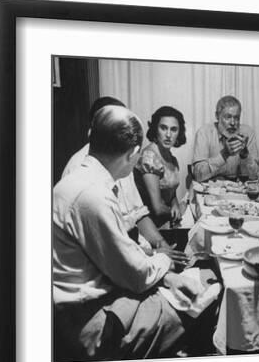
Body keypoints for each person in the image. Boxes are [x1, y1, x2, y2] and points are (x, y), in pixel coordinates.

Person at [53, 105, 205, 362]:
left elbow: (120, 249)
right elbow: (135, 275)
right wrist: (165, 261)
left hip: (90, 296)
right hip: (89, 321)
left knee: (178, 284)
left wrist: (165, 276)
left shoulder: (86, 175)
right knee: (200, 302)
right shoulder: (93, 195)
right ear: (134, 153)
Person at [62, 96, 188, 264]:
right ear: (95, 128)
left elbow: (138, 213)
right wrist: (155, 254)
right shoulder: (78, 169)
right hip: (105, 260)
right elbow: (106, 249)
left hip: (135, 245)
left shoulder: (121, 158)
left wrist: (162, 245)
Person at [134, 106, 186, 228]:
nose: (168, 135)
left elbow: (170, 192)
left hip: (166, 221)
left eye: (173, 129)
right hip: (149, 225)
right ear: (155, 129)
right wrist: (179, 211)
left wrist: (175, 205)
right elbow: (157, 208)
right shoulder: (150, 157)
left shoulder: (171, 158)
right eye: (163, 128)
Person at [192, 95, 259, 182]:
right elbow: (198, 175)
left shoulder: (247, 133)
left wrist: (245, 156)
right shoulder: (204, 133)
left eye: (236, 118)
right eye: (228, 117)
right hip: (211, 190)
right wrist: (224, 154)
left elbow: (256, 176)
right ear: (217, 116)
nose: (233, 123)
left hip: (238, 190)